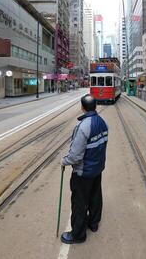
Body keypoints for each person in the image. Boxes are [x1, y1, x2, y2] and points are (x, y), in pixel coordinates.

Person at [61, 94, 108, 244]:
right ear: (95, 106)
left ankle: (78, 235)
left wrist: (64, 161)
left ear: (82, 107)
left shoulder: (83, 127)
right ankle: (93, 224)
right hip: (97, 169)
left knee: (79, 203)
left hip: (83, 172)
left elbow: (75, 156)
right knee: (95, 197)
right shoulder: (102, 122)